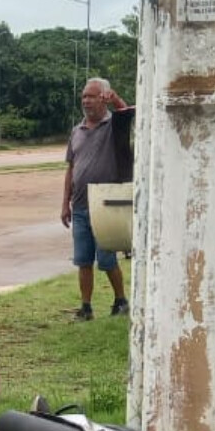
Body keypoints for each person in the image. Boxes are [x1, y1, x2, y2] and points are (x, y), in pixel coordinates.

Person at [60, 77, 135, 320]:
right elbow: (71, 168)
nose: (86, 101)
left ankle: (120, 300)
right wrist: (65, 203)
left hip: (105, 204)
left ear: (102, 98)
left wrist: (116, 99)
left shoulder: (113, 125)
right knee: (83, 259)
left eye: (91, 96)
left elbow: (127, 113)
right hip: (80, 205)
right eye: (84, 96)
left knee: (106, 258)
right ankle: (86, 307)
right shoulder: (77, 131)